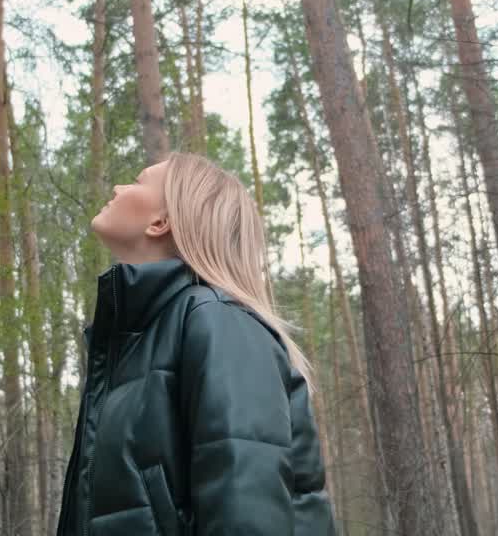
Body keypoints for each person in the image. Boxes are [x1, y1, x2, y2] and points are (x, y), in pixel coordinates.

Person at [55, 152, 337, 536]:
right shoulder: (135, 343)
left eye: (137, 181)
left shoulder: (219, 320)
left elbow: (248, 515)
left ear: (160, 222)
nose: (119, 188)